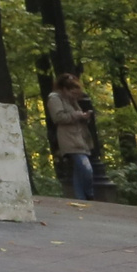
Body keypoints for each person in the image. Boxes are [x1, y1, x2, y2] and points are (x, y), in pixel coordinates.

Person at [46, 72, 100, 200]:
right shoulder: (55, 98)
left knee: (78, 170)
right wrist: (78, 115)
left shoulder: (72, 100)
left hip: (80, 137)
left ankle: (80, 198)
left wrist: (85, 117)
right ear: (65, 89)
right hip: (69, 138)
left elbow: (78, 115)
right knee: (86, 168)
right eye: (74, 93)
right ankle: (89, 193)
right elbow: (58, 117)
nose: (76, 96)